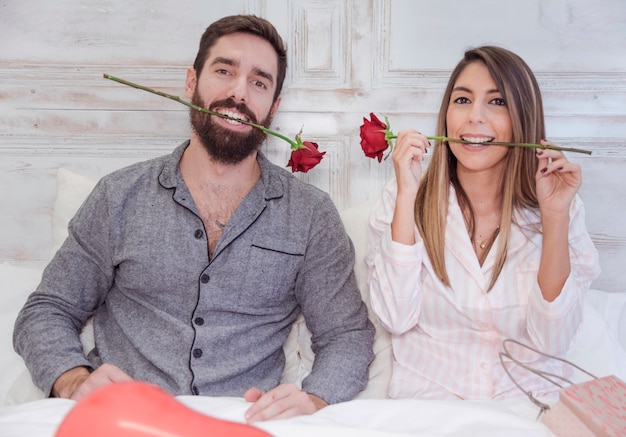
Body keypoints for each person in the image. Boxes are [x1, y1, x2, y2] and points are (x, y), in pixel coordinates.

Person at [14, 14, 374, 421]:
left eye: (259, 82)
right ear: (191, 83)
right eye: (224, 71)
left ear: (273, 108)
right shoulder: (118, 197)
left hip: (241, 421)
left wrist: (315, 398)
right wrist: (74, 378)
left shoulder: (310, 215)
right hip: (122, 418)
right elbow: (47, 309)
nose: (239, 93)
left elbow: (347, 336)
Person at [365, 46, 600, 400]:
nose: (474, 117)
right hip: (430, 408)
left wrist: (554, 218)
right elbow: (395, 318)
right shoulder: (401, 198)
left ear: (523, 117)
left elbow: (553, 341)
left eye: (497, 101)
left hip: (526, 405)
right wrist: (406, 197)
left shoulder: (561, 207)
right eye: (462, 100)